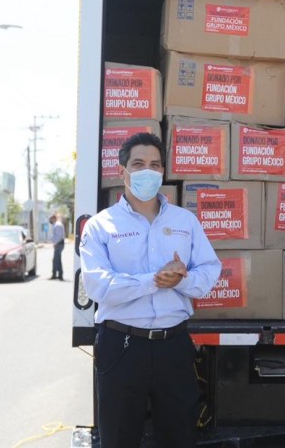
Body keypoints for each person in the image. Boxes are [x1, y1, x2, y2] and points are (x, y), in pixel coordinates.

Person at [79, 132, 221, 448]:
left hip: (174, 346)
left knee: (179, 437)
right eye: (139, 163)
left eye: (155, 164)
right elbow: (98, 286)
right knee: (119, 437)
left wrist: (181, 280)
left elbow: (210, 273)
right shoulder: (102, 226)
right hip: (122, 347)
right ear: (123, 171)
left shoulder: (186, 221)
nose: (148, 171)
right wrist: (154, 281)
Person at [49, 213, 65, 280]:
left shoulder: (57, 225)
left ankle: (56, 275)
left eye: (51, 220)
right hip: (59, 244)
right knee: (57, 260)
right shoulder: (57, 224)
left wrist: (55, 243)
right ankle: (58, 275)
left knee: (56, 260)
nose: (50, 221)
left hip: (59, 244)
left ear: (53, 218)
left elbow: (58, 236)